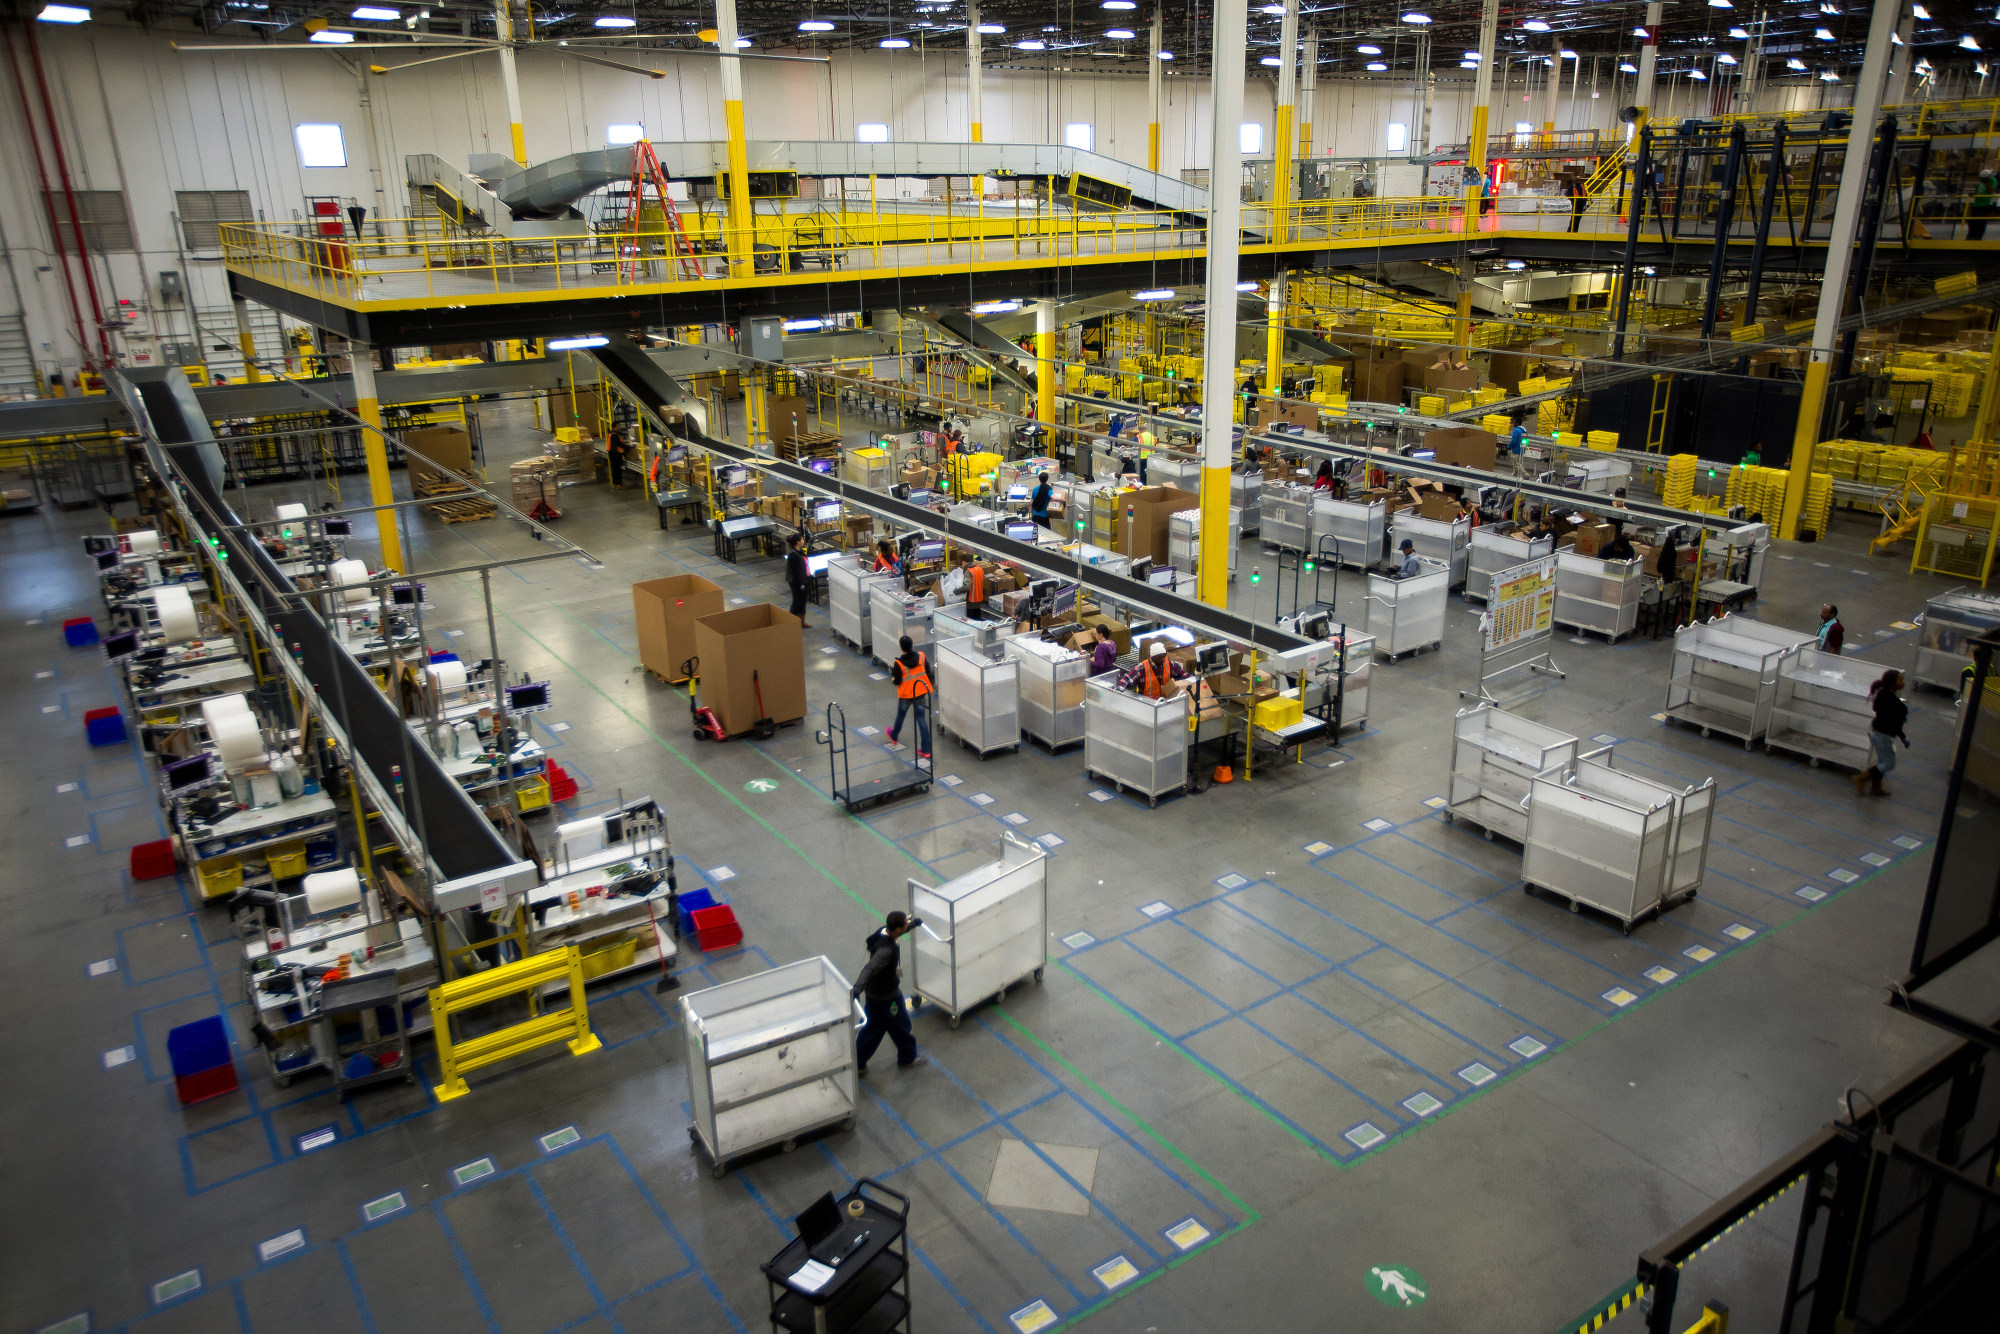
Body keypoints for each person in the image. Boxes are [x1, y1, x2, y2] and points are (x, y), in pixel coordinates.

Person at [850, 911, 924, 1074]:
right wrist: (856, 988)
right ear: (897, 929)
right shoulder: (886, 951)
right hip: (888, 997)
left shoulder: (883, 931)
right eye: (905, 924)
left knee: (872, 1027)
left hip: (874, 994)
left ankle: (858, 1062)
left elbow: (900, 930)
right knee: (900, 1025)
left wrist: (913, 925)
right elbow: (869, 969)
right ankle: (907, 1057)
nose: (907, 925)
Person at [1854, 669, 1910, 798]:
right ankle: (1860, 778)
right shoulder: (1896, 704)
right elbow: (1896, 724)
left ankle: (1876, 787)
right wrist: (1903, 738)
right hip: (1883, 735)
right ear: (1892, 683)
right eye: (1900, 679)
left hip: (1875, 731)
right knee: (1888, 763)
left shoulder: (1882, 695)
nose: (1903, 682)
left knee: (1882, 760)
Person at [887, 634, 932, 759]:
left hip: (906, 695)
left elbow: (897, 681)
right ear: (912, 645)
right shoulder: (921, 656)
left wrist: (893, 679)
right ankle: (926, 750)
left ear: (901, 648)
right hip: (920, 693)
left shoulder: (898, 663)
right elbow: (927, 672)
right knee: (922, 720)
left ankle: (894, 736)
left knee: (901, 716)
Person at [1116, 640, 1188, 697]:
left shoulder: (1168, 663)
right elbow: (1127, 678)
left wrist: (1194, 679)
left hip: (1165, 703)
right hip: (1148, 705)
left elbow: (1181, 673)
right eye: (1160, 657)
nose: (1163, 659)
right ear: (1153, 657)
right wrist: (1119, 690)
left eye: (1164, 656)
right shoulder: (1142, 668)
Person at [785, 531, 811, 627]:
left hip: (804, 579)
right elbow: (796, 571)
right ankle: (792, 624)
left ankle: (802, 622)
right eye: (802, 539)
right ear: (797, 542)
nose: (803, 541)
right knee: (797, 602)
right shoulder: (793, 555)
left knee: (803, 601)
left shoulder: (799, 552)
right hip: (797, 582)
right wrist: (801, 583)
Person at [1971, 169, 1996, 241]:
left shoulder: (1992, 180)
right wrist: (1973, 194)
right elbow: (1977, 190)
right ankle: (1971, 236)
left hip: (1985, 204)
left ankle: (1978, 237)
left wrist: (1986, 182)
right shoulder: (1980, 182)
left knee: (1981, 222)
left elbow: (1991, 190)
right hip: (1976, 204)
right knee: (1972, 222)